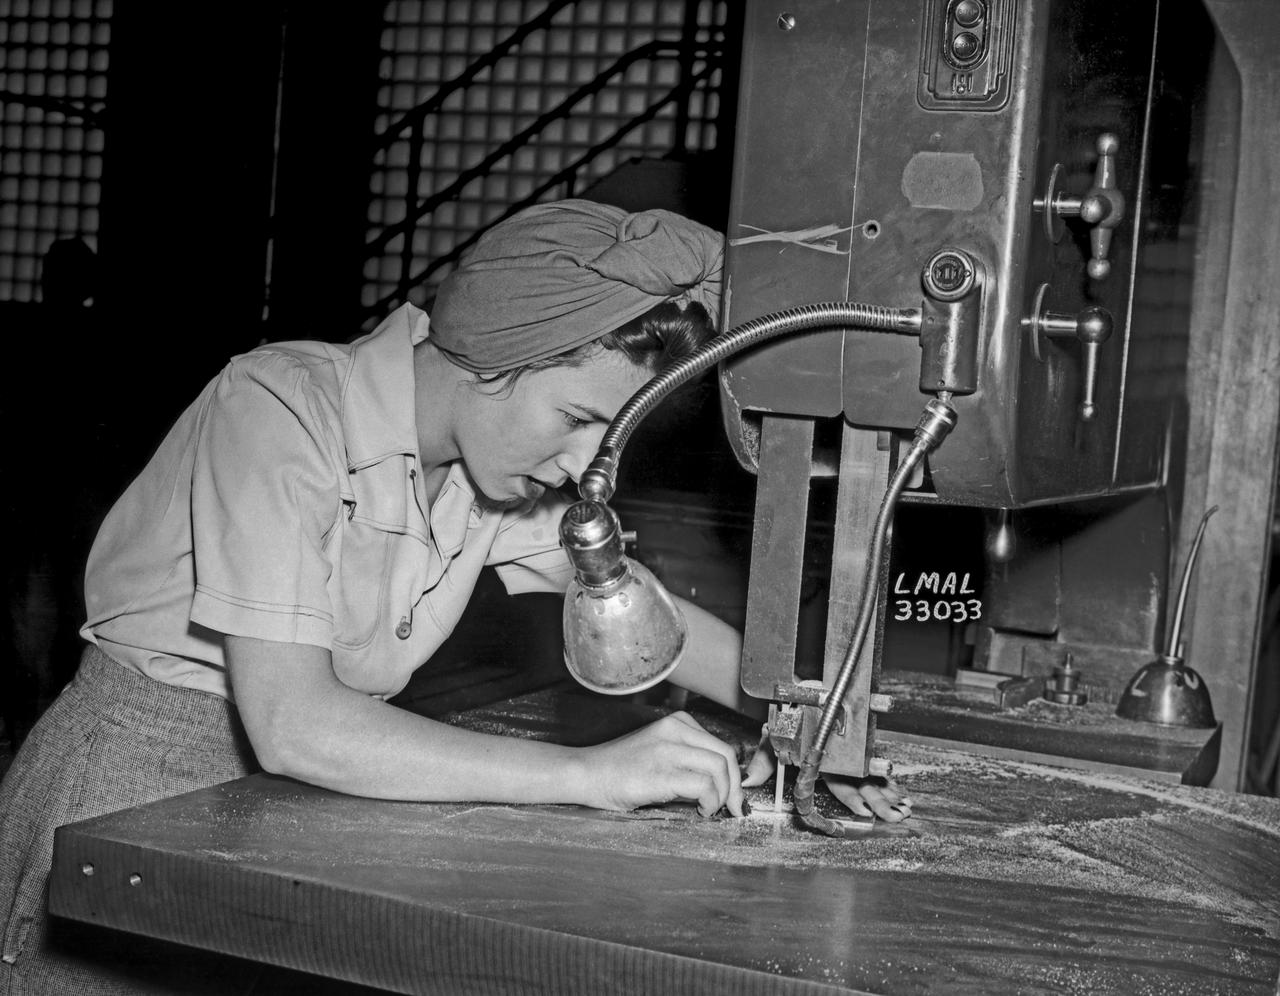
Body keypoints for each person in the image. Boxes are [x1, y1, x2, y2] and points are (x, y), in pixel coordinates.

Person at [0, 199, 910, 994]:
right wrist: (588, 777)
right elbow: (295, 726)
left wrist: (810, 716)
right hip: (129, 789)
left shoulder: (485, 476)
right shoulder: (278, 409)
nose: (577, 466)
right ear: (498, 356)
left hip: (301, 806)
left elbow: (634, 605)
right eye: (579, 420)